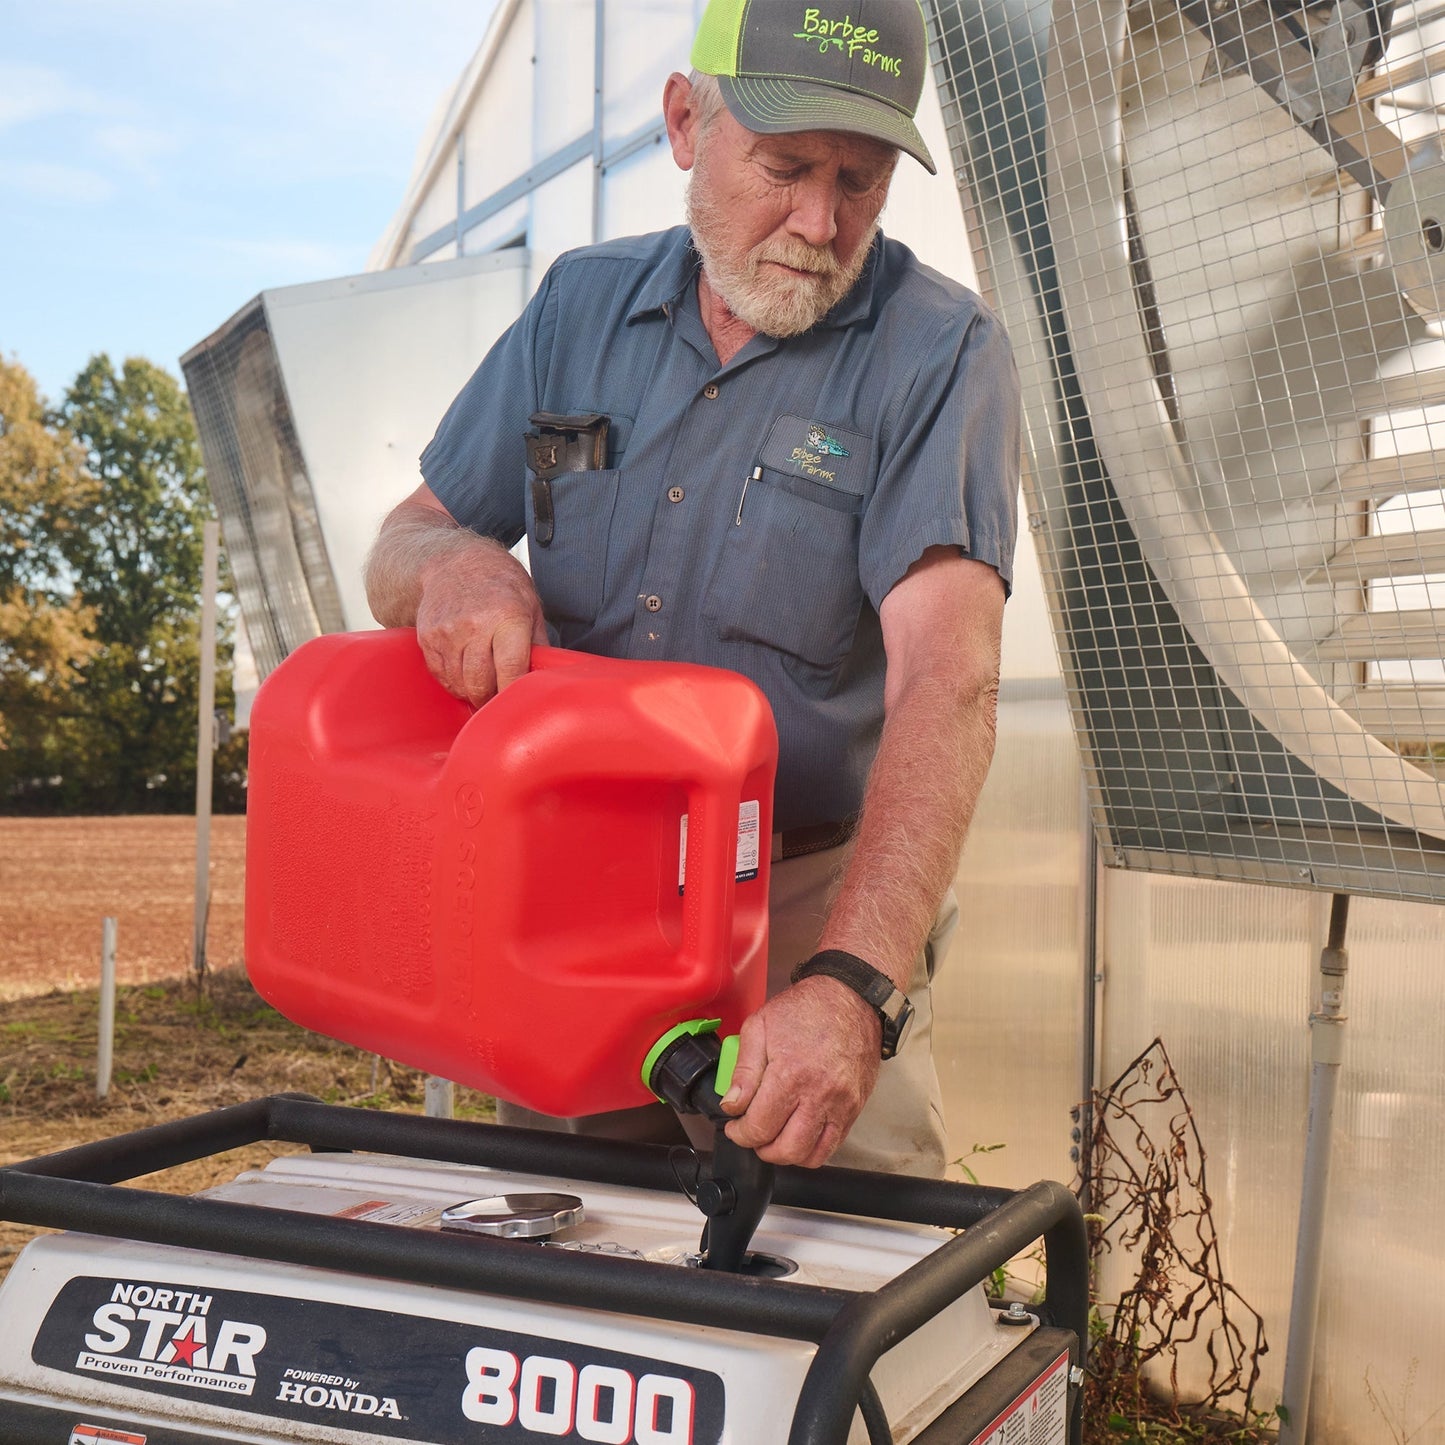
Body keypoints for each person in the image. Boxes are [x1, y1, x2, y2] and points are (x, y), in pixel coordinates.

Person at [365, 0, 1019, 1178]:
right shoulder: (577, 307)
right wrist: (456, 563)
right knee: (572, 1259)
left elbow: (948, 677)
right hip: (579, 894)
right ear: (682, 121)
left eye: (858, 181)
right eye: (783, 167)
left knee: (838, 1282)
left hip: (804, 904)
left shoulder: (941, 351)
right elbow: (404, 542)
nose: (819, 222)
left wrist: (854, 987)